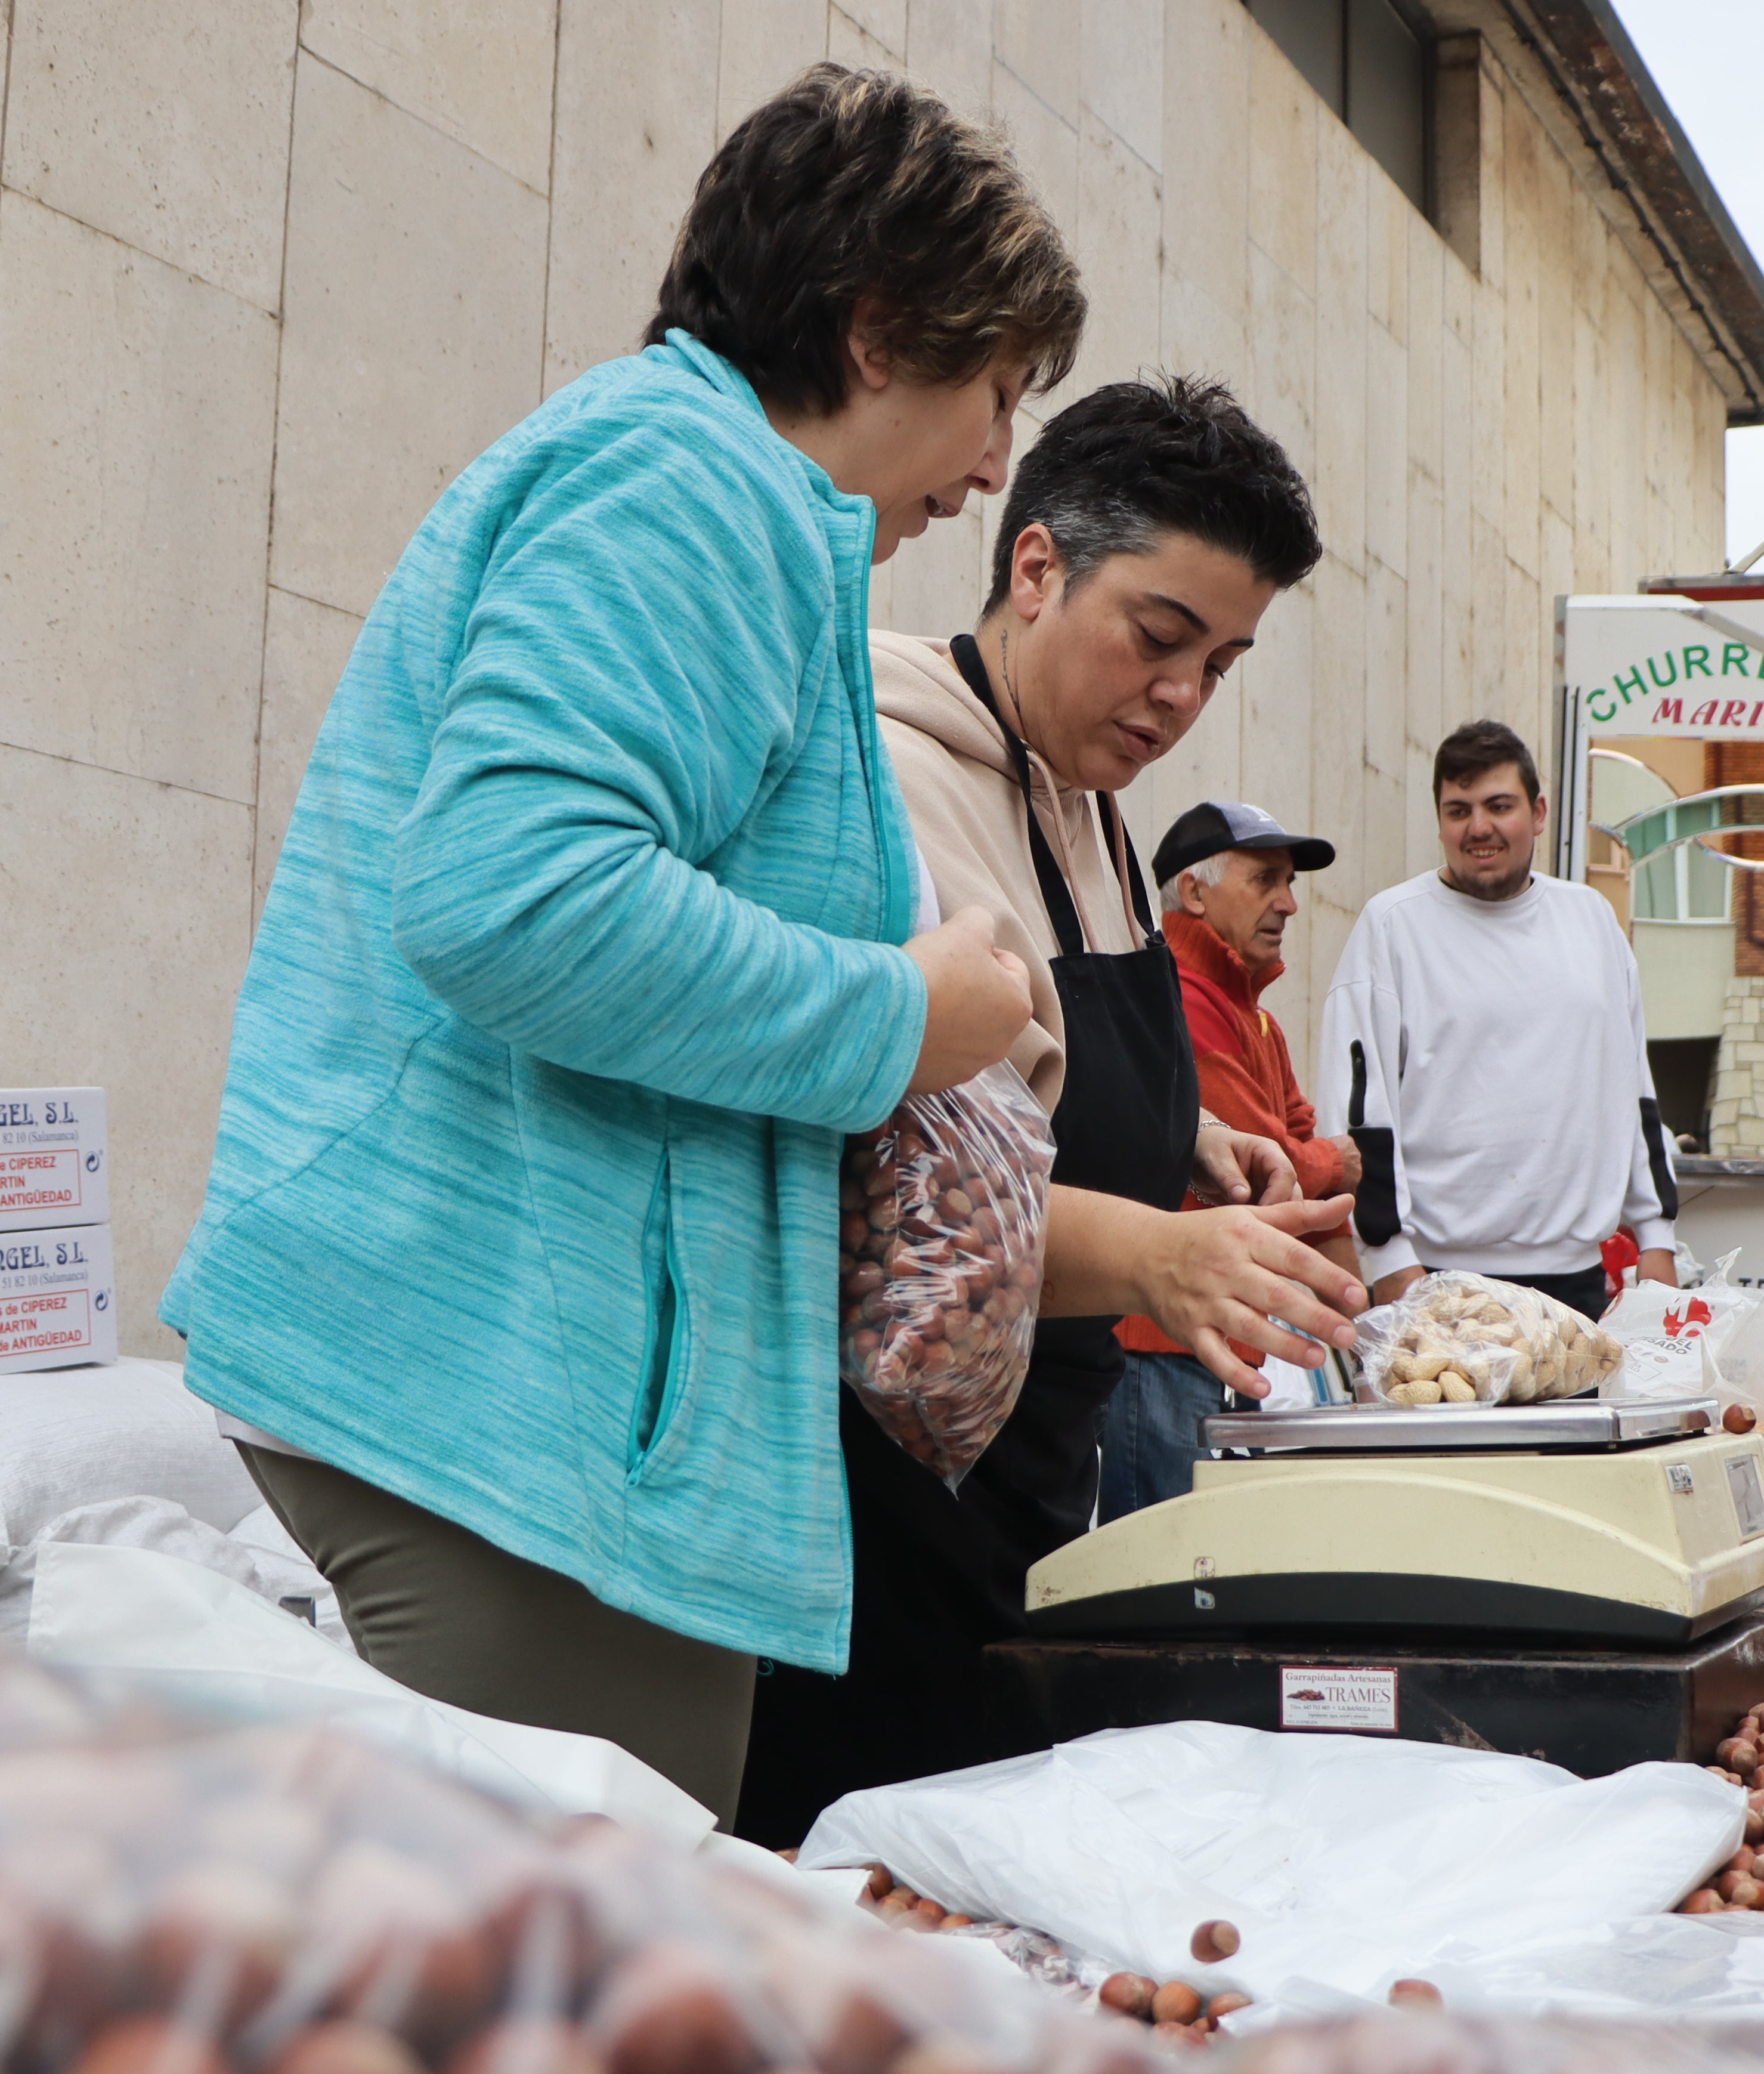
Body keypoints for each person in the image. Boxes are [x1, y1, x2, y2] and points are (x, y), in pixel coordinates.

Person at [163, 68, 1077, 1826]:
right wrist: (900, 1014)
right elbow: (510, 894)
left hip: (531, 1410)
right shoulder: (691, 483)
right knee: (547, 2035)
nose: (988, 466)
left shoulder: (715, 498)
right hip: (498, 1415)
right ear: (877, 331)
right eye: (991, 394)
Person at [736, 378, 1363, 1845]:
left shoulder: (1100, 817)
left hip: (1040, 1486)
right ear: (1032, 567)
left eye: (1220, 663)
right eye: (1157, 639)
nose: (1180, 698)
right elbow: (903, 1202)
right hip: (877, 1515)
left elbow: (1052, 1076)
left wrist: (1194, 1141)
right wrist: (1153, 1256)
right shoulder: (883, 781)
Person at [1321, 721, 1682, 1319]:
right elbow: (1359, 1112)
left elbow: (1632, 1089)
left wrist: (1657, 1235)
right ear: (1439, 822)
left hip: (1576, 1285)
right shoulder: (1392, 927)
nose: (1479, 827)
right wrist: (1388, 1261)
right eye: (1458, 810)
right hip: (1436, 1285)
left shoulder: (1591, 920)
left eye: (1499, 805)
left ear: (1539, 812)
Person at [1098, 798, 1364, 1517]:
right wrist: (1334, 1162)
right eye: (1266, 879)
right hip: (1158, 1341)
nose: (1290, 903)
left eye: (1290, 883)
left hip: (1203, 1337)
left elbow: (1297, 1146)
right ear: (1194, 891)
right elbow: (1272, 1170)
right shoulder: (1180, 998)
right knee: (1163, 1573)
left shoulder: (1252, 1010)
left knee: (1193, 1565)